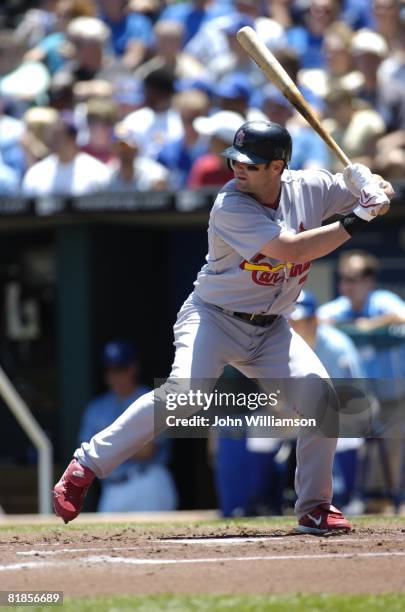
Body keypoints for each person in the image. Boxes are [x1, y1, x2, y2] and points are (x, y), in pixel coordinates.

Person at [53, 119, 395, 534]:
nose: (239, 168)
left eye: (251, 164)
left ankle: (315, 507)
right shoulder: (231, 204)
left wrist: (369, 183)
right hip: (214, 317)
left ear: (278, 166)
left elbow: (375, 193)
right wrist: (360, 215)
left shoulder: (311, 187)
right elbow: (291, 249)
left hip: (272, 329)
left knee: (323, 401)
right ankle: (85, 464)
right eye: (236, 160)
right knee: (185, 395)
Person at [78, 340, 177, 512]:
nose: (115, 376)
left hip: (146, 482)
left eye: (121, 369)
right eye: (111, 370)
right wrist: (125, 446)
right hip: (112, 489)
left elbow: (148, 451)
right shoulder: (97, 408)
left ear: (133, 368)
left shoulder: (152, 399)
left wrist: (104, 449)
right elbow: (85, 455)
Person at [289, 289, 365, 511]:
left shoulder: (336, 345)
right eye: (292, 321)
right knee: (261, 431)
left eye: (301, 320)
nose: (296, 326)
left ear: (313, 319)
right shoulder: (280, 344)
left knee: (343, 431)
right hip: (295, 415)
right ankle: (264, 503)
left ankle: (347, 499)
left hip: (344, 412)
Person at [21, 110, 110, 197]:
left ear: (73, 137)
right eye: (52, 134)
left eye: (58, 134)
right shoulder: (37, 173)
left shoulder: (97, 172)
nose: (53, 139)